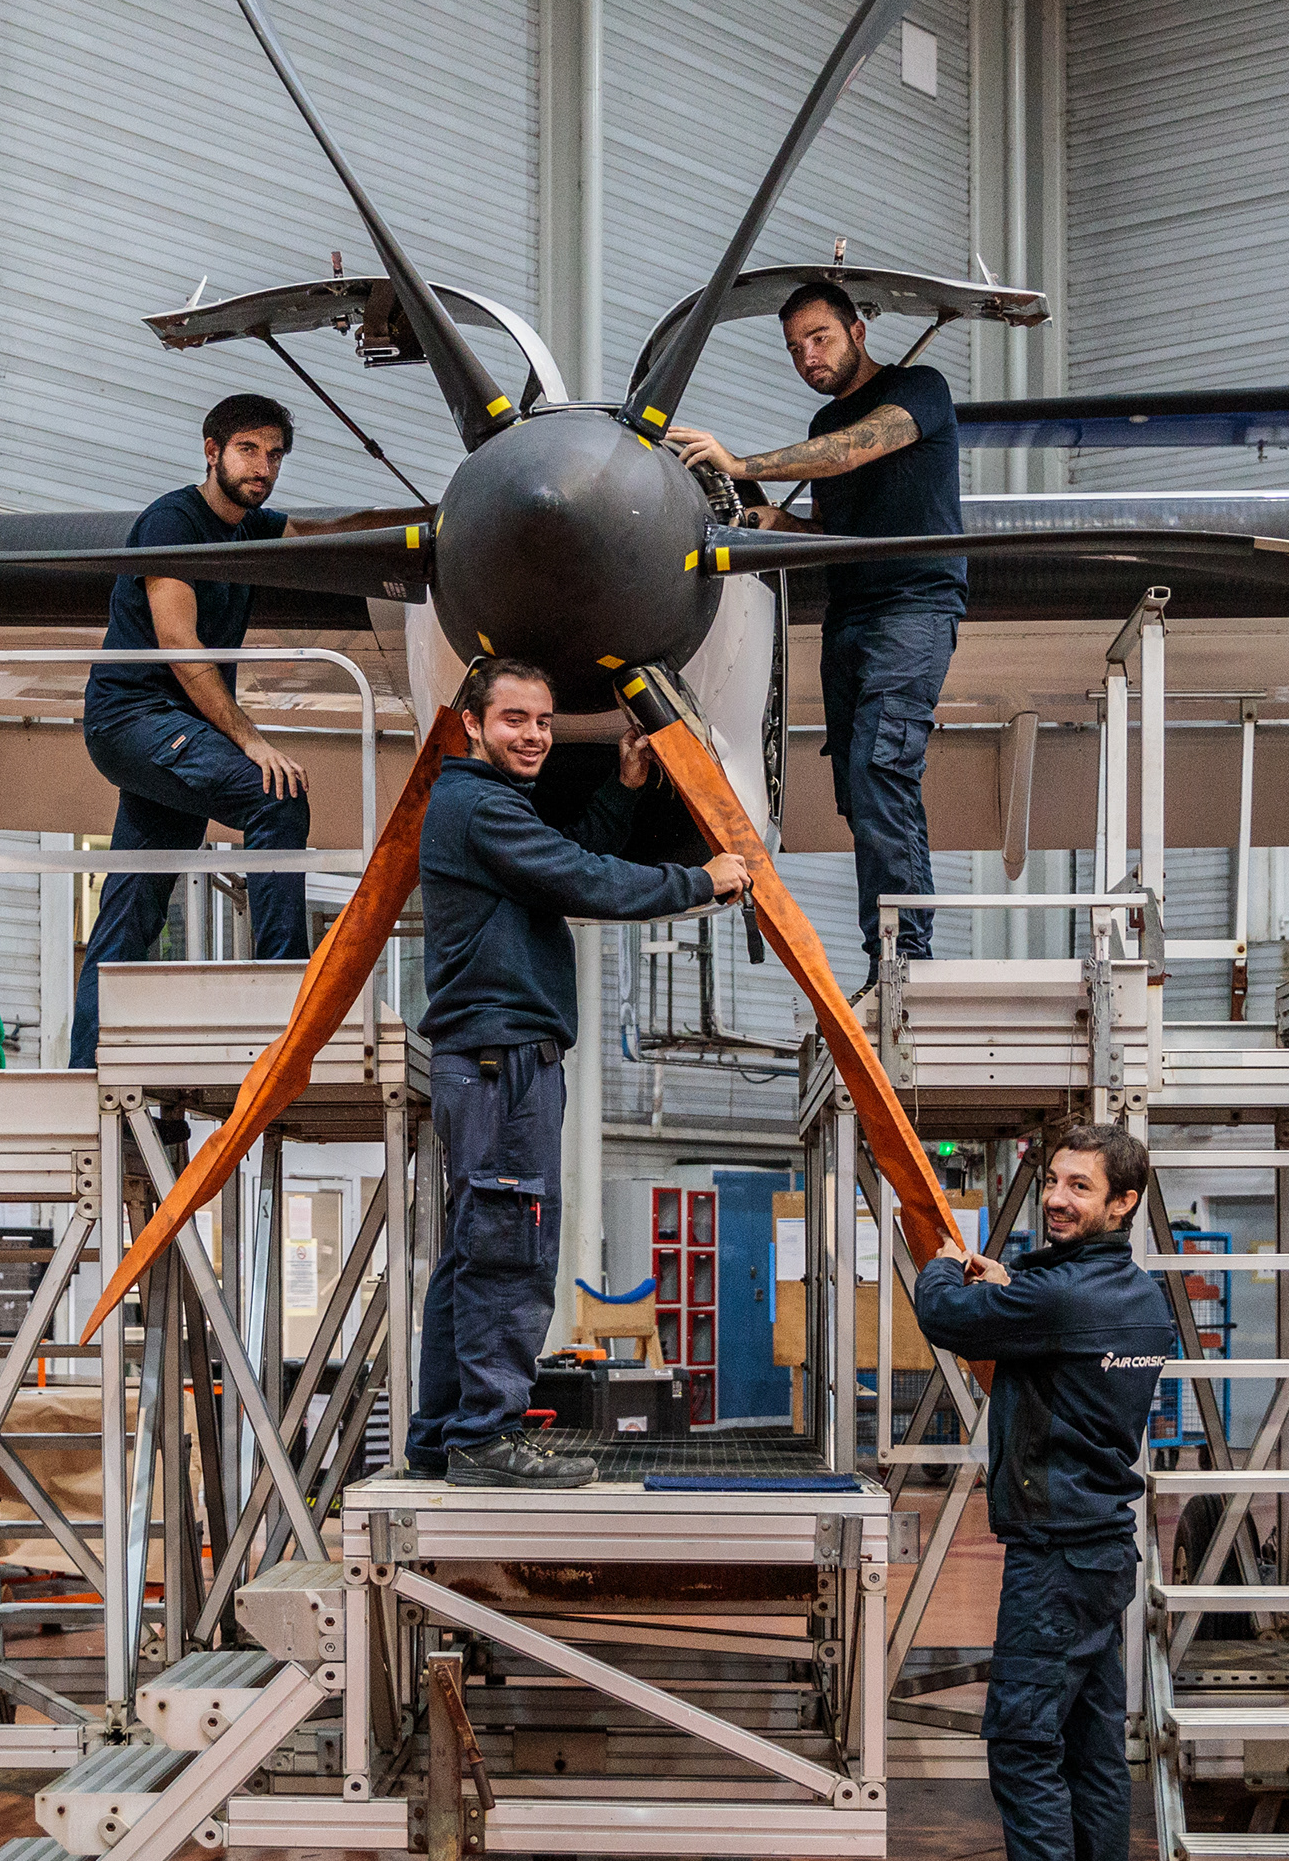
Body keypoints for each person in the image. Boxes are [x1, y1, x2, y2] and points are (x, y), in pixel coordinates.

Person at [412, 658, 751, 1489]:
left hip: (496, 1058)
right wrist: (698, 881)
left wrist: (627, 787)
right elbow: (582, 878)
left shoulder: (491, 810)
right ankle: (487, 1436)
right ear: (470, 724)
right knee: (507, 1249)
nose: (531, 736)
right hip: (502, 1064)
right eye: (513, 720)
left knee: (473, 1254)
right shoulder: (477, 804)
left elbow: (564, 859)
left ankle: (445, 1435)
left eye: (543, 723)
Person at [909, 1119, 1169, 1861]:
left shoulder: (1060, 1298)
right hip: (1103, 1551)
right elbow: (1051, 1321)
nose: (1058, 1198)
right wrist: (1009, 1282)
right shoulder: (1135, 1299)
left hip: (1057, 1561)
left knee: (1024, 1748)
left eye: (1080, 1188)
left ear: (1123, 1203)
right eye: (1054, 1181)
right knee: (1092, 1755)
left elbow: (943, 1316)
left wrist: (946, 1261)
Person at [659, 279, 964, 979]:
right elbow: (833, 527)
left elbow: (855, 450)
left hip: (912, 607)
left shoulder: (920, 389)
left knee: (880, 768)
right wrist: (780, 524)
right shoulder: (825, 427)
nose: (807, 356)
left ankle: (904, 958)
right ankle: (888, 950)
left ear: (859, 331)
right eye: (795, 347)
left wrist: (741, 463)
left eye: (819, 338)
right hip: (850, 616)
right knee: (860, 792)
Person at [66, 394, 313, 1070]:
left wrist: (439, 521)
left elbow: (330, 532)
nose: (262, 467)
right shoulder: (173, 520)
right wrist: (250, 740)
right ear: (212, 450)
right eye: (247, 450)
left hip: (165, 732)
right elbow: (178, 642)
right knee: (276, 796)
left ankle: (86, 1076)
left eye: (274, 455)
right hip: (135, 720)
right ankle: (288, 1005)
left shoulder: (250, 529)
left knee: (131, 913)